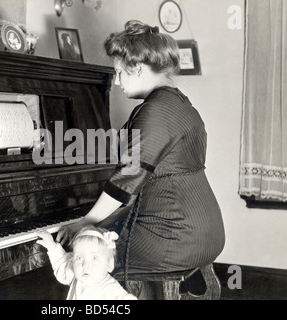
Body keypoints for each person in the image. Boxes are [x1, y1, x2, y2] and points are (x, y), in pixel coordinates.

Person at [56, 20, 225, 298]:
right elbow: (127, 152)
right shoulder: (178, 103)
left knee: (87, 256)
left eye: (120, 72)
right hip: (204, 230)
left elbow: (126, 180)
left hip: (174, 236)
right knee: (94, 244)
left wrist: (85, 222)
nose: (118, 81)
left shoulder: (155, 111)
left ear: (137, 67)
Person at [37, 225, 137, 300]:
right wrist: (51, 246)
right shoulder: (75, 277)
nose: (85, 265)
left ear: (109, 264)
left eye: (94, 258)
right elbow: (62, 263)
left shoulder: (110, 289)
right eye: (79, 258)